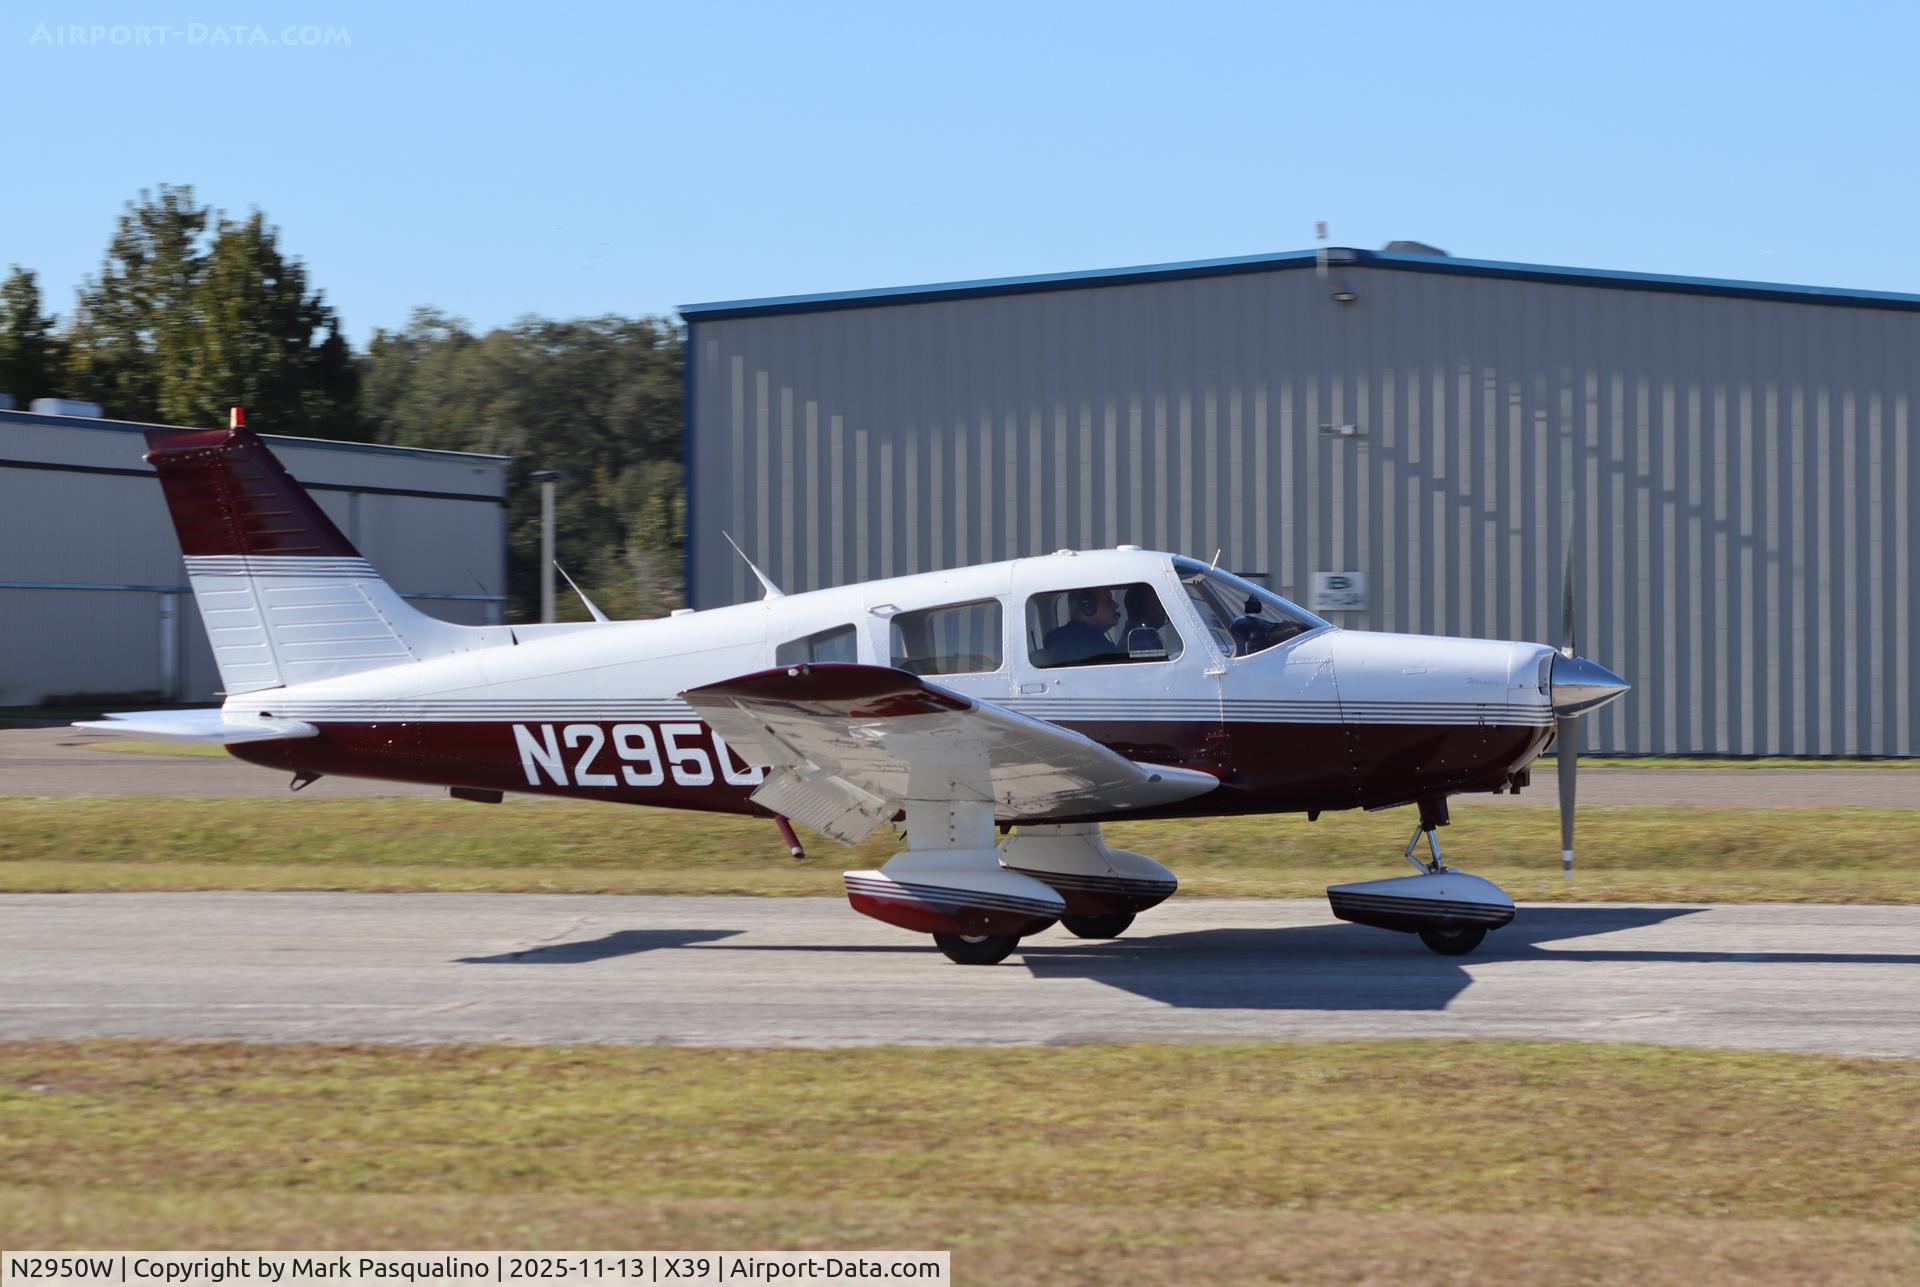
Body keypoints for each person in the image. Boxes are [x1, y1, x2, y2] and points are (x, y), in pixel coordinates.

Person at [1042, 586, 1121, 664]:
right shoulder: (1099, 647)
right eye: (1108, 601)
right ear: (1088, 606)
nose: (1116, 605)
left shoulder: (1055, 638)